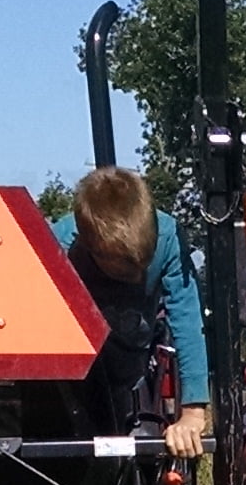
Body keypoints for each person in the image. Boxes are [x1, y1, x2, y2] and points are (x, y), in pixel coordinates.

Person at [65, 164, 211, 462]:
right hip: (82, 374)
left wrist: (192, 413)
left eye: (146, 263)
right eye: (127, 270)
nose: (138, 276)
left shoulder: (169, 236)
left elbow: (186, 320)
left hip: (140, 359)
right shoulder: (58, 247)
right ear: (91, 246)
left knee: (146, 449)